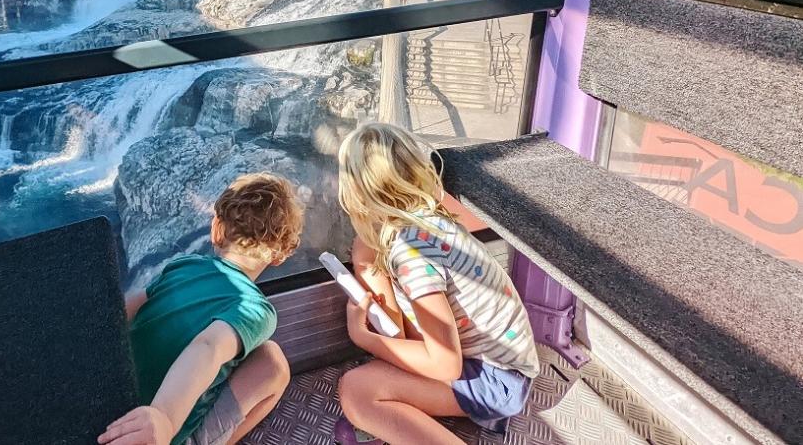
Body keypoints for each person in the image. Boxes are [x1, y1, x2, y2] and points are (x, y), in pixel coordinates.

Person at [334, 123, 539, 444]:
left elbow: (445, 365)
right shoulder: (429, 223)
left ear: (356, 192)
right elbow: (411, 335)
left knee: (356, 390)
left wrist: (362, 336)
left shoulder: (413, 254)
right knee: (366, 247)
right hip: (487, 366)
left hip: (496, 381)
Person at [99, 173, 306, 445]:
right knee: (273, 364)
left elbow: (124, 310)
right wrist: (164, 417)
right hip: (157, 434)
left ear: (217, 230)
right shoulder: (255, 309)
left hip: (107, 408)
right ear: (281, 255)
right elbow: (209, 346)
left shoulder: (184, 265)